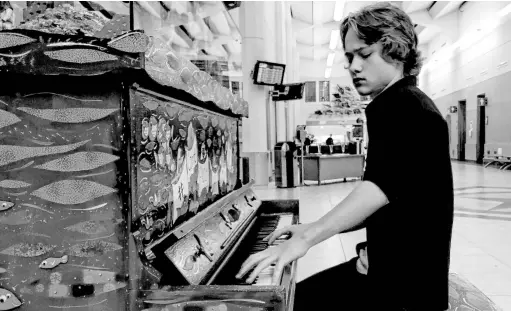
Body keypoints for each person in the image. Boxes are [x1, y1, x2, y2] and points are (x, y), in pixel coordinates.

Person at [236, 3, 454, 311]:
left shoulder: (405, 107)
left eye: (364, 54)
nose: (353, 66)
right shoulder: (403, 104)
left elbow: (379, 187)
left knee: (284, 305)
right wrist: (314, 227)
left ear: (397, 50)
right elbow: (391, 200)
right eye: (349, 57)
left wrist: (308, 237)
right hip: (389, 275)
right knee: (294, 298)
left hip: (403, 293)